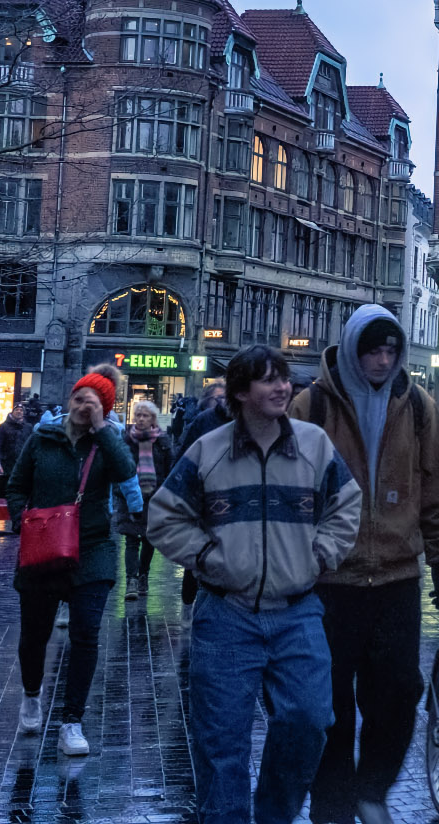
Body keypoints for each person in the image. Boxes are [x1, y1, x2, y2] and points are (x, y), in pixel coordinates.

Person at [149, 345, 363, 824]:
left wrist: (322, 553)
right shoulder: (209, 449)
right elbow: (163, 517)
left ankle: (273, 815)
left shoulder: (313, 445)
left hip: (298, 611)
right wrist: (208, 557)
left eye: (284, 379)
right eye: (268, 380)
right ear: (240, 392)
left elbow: (347, 503)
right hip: (227, 615)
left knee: (309, 721)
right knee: (222, 741)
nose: (282, 388)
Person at [291, 305, 439, 824]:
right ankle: (334, 801)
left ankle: (372, 787)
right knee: (329, 705)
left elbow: (436, 487)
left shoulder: (418, 408)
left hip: (395, 577)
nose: (383, 360)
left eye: (391, 350)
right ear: (352, 349)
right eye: (372, 350)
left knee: (399, 694)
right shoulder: (311, 406)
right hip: (329, 581)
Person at [5, 372, 139, 757]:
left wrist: (104, 431)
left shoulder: (107, 443)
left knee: (85, 636)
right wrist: (22, 519)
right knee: (35, 636)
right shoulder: (42, 439)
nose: (83, 406)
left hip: (93, 551)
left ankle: (72, 721)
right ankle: (32, 694)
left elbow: (126, 472)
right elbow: (16, 485)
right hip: (43, 549)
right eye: (79, 398)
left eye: (93, 402)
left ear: (105, 409)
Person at [178, 380, 236, 613]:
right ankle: (191, 603)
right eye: (217, 398)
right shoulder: (203, 422)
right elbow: (182, 464)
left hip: (236, 508)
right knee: (201, 558)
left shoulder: (254, 422)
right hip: (206, 505)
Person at [116, 399, 176, 601]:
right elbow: (117, 468)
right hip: (130, 496)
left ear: (153, 419)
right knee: (131, 539)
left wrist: (167, 496)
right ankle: (131, 580)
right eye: (138, 415)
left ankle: (143, 575)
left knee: (150, 539)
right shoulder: (125, 440)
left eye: (145, 415)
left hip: (155, 498)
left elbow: (170, 470)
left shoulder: (163, 442)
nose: (141, 419)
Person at [0, 400, 38, 501]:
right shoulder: (3, 427)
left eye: (21, 410)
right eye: (17, 410)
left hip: (21, 465)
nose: (19, 412)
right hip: (6, 465)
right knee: (1, 493)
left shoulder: (28, 427)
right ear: (12, 412)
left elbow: (31, 445)